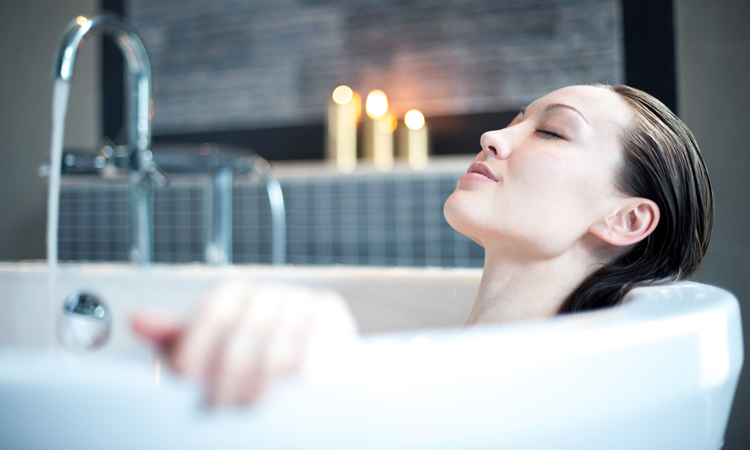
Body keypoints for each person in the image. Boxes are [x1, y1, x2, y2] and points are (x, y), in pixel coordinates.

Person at [132, 84, 713, 406]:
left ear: (627, 219)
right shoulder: (473, 372)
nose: (493, 136)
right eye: (516, 118)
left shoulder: (563, 404)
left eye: (552, 130)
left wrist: (334, 364)